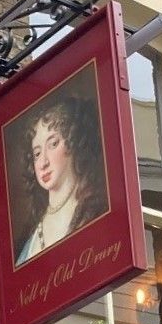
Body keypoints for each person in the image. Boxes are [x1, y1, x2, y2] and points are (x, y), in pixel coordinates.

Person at [14, 96, 108, 266]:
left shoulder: (96, 210)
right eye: (36, 154)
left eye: (53, 144)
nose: (43, 162)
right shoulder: (31, 237)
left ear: (73, 142)